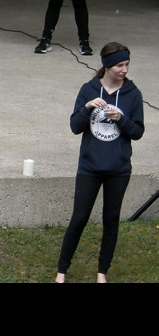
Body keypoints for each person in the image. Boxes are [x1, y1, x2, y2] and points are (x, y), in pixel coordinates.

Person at [55, 42, 144, 283]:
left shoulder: (133, 94)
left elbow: (137, 132)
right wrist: (86, 108)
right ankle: (61, 271)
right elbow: (75, 127)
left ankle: (101, 273)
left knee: (111, 220)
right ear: (107, 66)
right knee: (79, 218)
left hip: (119, 169)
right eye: (119, 65)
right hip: (89, 168)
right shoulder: (88, 89)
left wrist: (121, 120)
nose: (124, 69)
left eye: (126, 64)